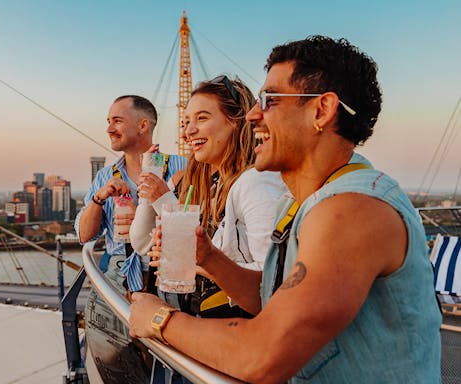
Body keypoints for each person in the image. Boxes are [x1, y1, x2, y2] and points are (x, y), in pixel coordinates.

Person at [129, 36, 442, 383]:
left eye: (270, 100)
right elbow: (272, 300)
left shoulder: (352, 210)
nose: (252, 115)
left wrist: (160, 320)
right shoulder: (299, 203)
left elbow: (264, 354)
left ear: (321, 111)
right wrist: (209, 258)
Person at [130, 76, 286, 317]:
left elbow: (274, 282)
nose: (187, 133)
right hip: (206, 326)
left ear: (236, 121)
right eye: (185, 122)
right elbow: (142, 242)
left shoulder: (254, 182)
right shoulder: (213, 184)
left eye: (202, 118)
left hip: (236, 333)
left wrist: (197, 260)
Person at [75, 95, 186, 383]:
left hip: (168, 268)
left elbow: (194, 226)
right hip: (121, 269)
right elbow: (84, 235)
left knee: (173, 352)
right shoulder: (105, 176)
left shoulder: (180, 168)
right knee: (110, 347)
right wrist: (100, 199)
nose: (109, 128)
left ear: (143, 125)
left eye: (117, 120)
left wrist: (148, 211)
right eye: (108, 121)